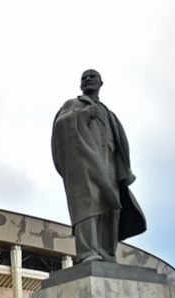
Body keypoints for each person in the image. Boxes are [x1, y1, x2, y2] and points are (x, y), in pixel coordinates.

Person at [51, 69, 146, 263]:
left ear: (101, 83)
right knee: (88, 205)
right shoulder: (73, 105)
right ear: (80, 86)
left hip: (109, 164)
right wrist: (85, 114)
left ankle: (106, 252)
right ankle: (88, 252)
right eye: (84, 78)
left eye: (92, 77)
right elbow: (60, 127)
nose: (88, 80)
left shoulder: (108, 113)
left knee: (111, 207)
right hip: (86, 164)